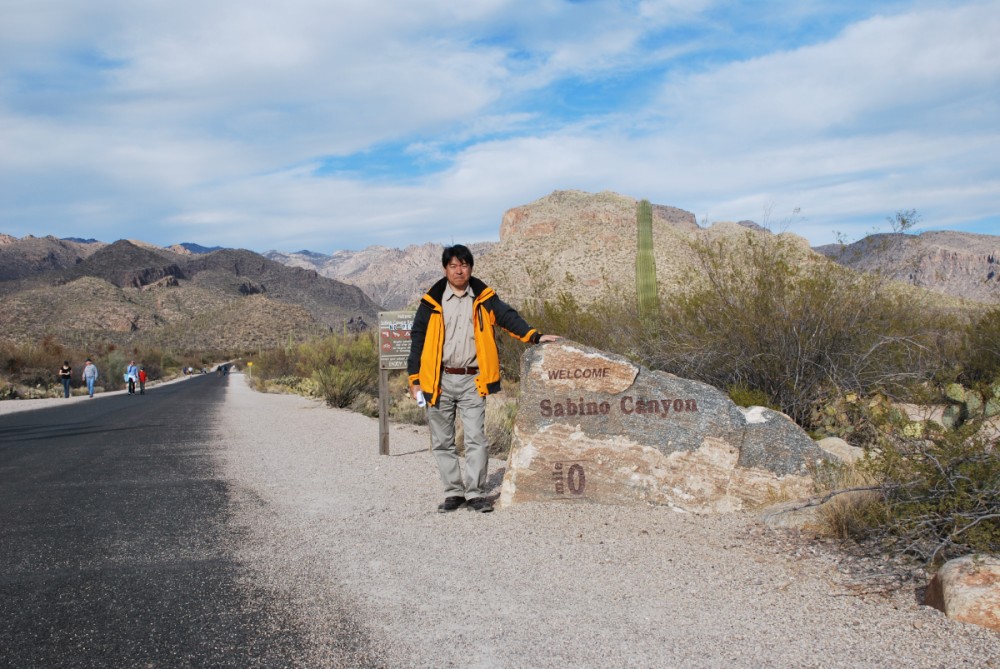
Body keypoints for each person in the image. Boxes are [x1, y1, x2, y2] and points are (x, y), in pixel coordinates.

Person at [407, 244, 560, 514]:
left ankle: (476, 493)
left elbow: (508, 318)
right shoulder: (431, 302)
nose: (459, 270)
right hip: (438, 380)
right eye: (453, 266)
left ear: (470, 268)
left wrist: (534, 336)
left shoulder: (483, 298)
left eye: (464, 265)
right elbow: (417, 339)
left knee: (476, 438)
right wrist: (414, 378)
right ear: (445, 269)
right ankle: (454, 493)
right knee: (442, 441)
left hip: (472, 379)